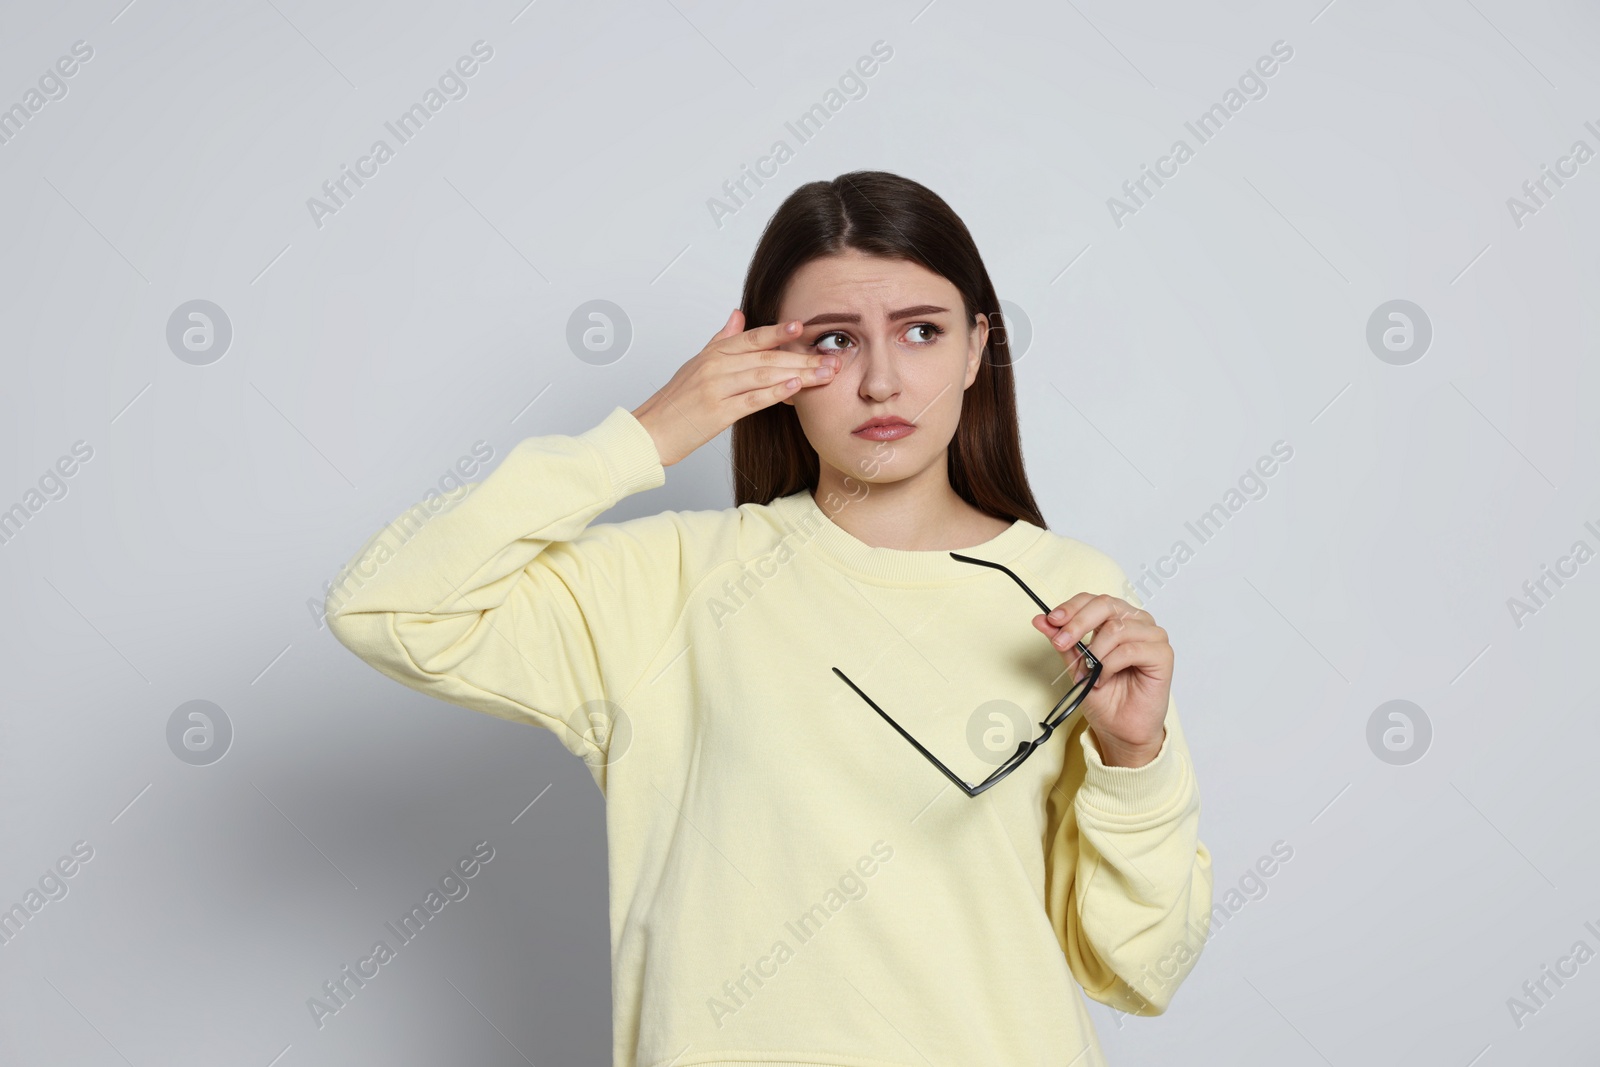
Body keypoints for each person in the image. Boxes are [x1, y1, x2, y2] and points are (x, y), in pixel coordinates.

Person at [325, 170, 1213, 1067]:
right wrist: (652, 431)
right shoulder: (672, 582)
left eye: (921, 331)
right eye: (833, 340)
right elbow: (387, 603)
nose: (880, 380)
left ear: (978, 346)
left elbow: (1142, 970)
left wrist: (1134, 762)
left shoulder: (1068, 590)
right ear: (770, 363)